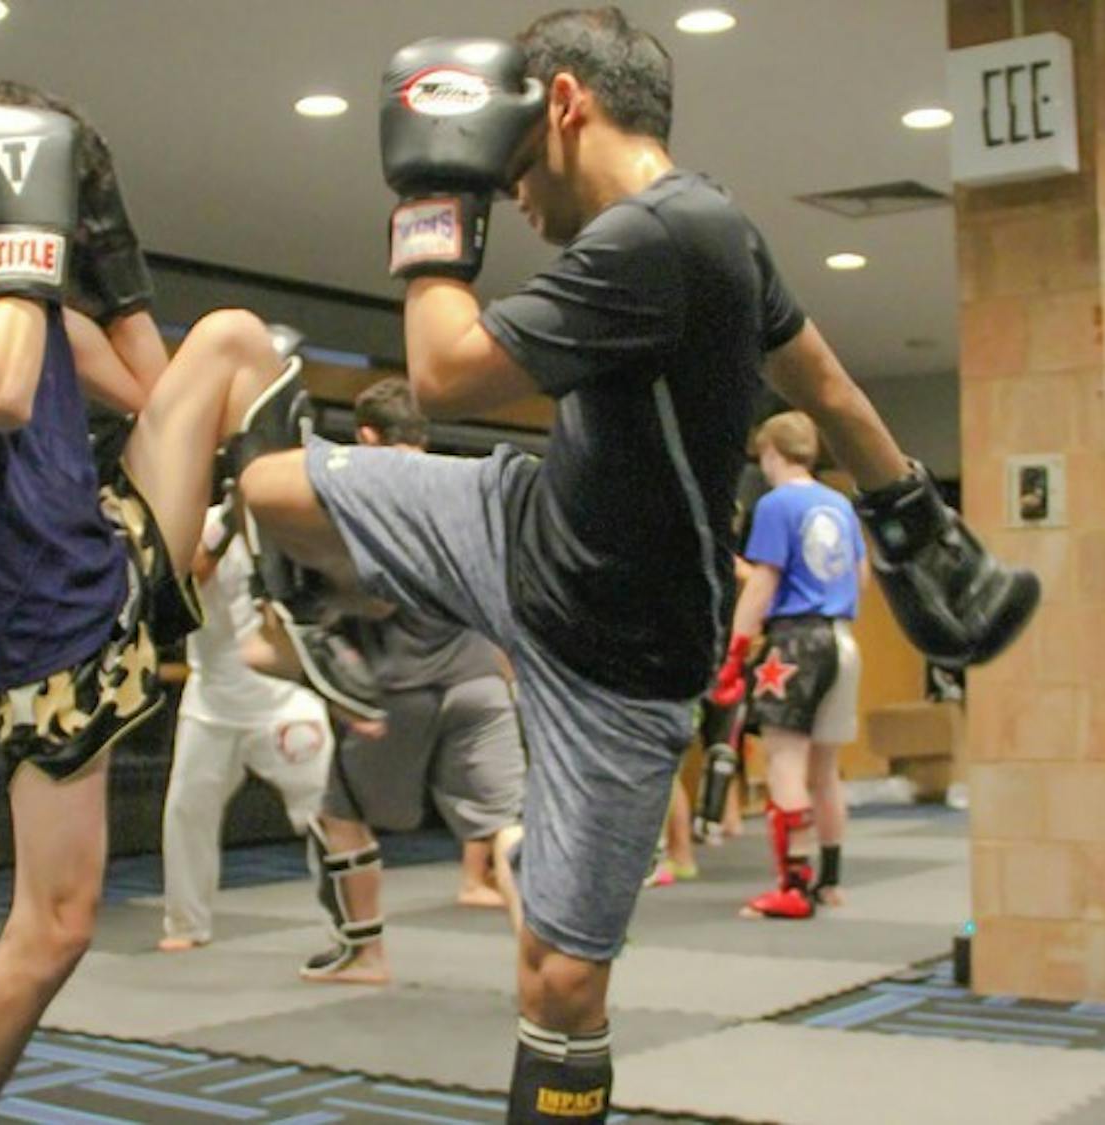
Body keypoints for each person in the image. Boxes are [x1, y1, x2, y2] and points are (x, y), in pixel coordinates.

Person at [237, 10, 1037, 1120]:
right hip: (528, 526)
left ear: (564, 105)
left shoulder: (660, 236)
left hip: (621, 647)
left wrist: (436, 197)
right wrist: (912, 517)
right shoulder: (712, 228)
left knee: (561, 981)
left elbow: (440, 377)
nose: (512, 193)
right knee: (271, 483)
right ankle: (269, 593)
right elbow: (834, 394)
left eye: (512, 166)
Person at [0, 78, 299, 1125]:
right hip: (44, 619)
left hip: (116, 538)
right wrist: (30, 254)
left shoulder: (20, 292)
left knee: (233, 341)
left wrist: (113, 271)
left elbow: (161, 388)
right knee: (57, 928)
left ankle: (309, 603)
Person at [293, 378, 526, 985]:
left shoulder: (360, 489)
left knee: (339, 818)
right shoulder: (466, 483)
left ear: (367, 435)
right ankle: (547, 967)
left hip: (401, 690)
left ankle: (365, 955)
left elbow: (359, 601)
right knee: (508, 829)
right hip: (481, 679)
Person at [709, 412, 867, 919]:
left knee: (785, 760)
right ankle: (830, 881)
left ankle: (793, 885)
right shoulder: (840, 503)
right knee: (825, 770)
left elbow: (763, 582)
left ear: (771, 452)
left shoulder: (778, 505)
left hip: (797, 641)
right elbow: (860, 577)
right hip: (843, 638)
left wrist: (736, 650)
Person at [157, 501, 333, 952]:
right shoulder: (209, 522)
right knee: (185, 812)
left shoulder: (296, 525)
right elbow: (182, 579)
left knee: (330, 814)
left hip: (282, 698)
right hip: (212, 697)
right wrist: (226, 531)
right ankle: (185, 924)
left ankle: (350, 928)